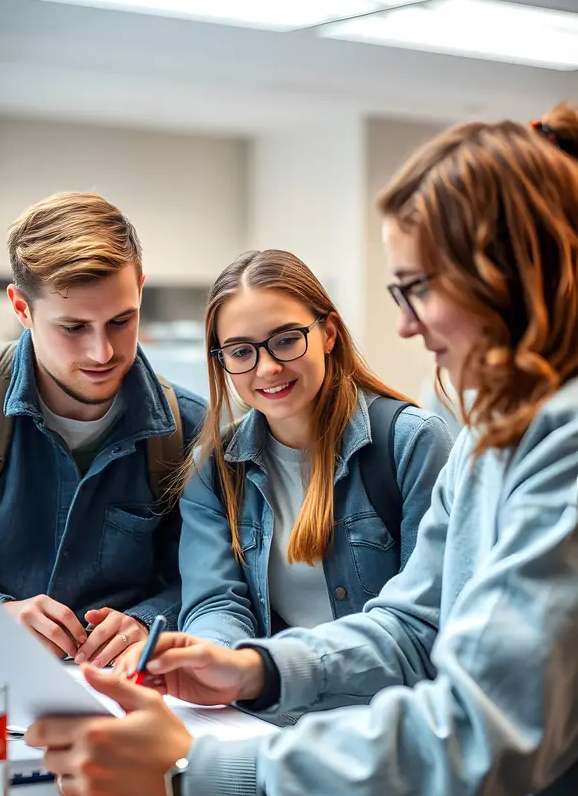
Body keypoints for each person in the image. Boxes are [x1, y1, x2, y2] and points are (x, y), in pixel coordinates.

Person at [30, 105, 578, 796]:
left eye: (417, 288)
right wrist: (256, 667)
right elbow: (411, 624)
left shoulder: (547, 443)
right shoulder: (488, 434)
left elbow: (478, 732)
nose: (403, 325)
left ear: (507, 275)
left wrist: (189, 780)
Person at [174, 249, 452, 646]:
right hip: (272, 700)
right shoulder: (214, 468)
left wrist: (268, 672)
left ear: (329, 334)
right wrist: (217, 660)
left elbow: (423, 620)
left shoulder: (413, 442)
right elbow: (216, 605)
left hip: (383, 701)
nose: (267, 368)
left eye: (286, 340)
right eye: (240, 352)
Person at [0, 191, 205, 665]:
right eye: (74, 327)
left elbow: (209, 580)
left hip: (123, 701)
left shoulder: (191, 429)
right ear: (22, 309)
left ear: (140, 288)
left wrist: (149, 619)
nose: (102, 353)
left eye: (121, 320)